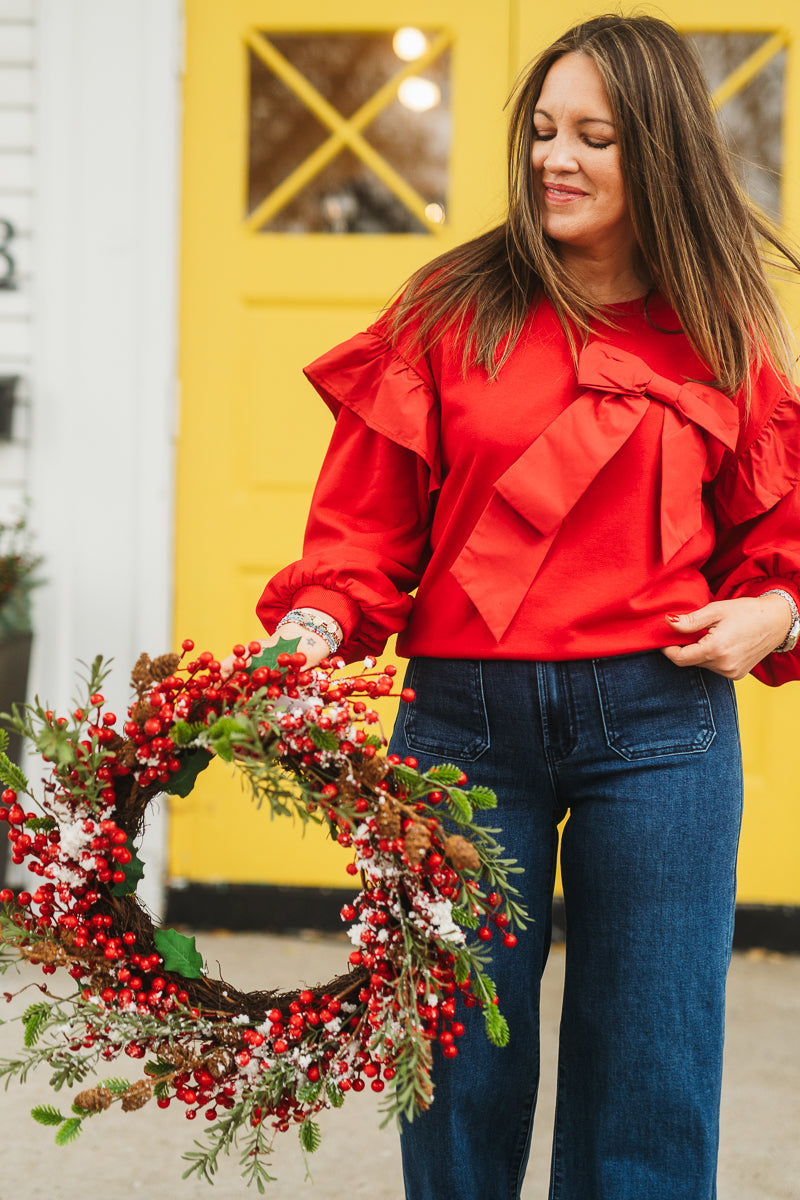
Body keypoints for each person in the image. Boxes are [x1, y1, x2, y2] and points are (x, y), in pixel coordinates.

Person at [254, 14, 800, 1199]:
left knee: (647, 1071)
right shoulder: (451, 306)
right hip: (459, 733)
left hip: (661, 729)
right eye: (543, 130)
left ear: (655, 152)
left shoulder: (720, 330)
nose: (554, 157)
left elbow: (784, 545)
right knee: (455, 1066)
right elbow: (362, 532)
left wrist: (776, 615)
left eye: (593, 137)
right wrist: (305, 635)